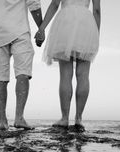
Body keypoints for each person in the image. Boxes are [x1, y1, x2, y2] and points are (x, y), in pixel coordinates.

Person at [35, 0, 101, 131]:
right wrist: (95, 35)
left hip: (65, 22)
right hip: (86, 24)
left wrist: (41, 28)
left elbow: (54, 5)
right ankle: (78, 118)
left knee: (65, 75)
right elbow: (97, 10)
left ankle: (64, 118)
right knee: (83, 75)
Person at [0, 0, 43, 130]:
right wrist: (41, 28)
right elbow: (34, 4)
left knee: (0, 78)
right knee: (22, 74)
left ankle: (3, 121)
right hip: (20, 30)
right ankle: (19, 118)